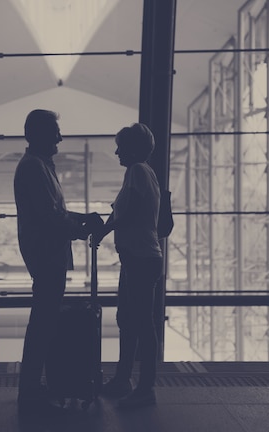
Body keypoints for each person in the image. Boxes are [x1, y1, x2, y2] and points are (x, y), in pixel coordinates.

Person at [14, 109, 103, 417]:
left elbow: (51, 213)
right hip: (47, 254)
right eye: (55, 131)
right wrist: (81, 228)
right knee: (42, 322)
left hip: (46, 252)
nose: (60, 137)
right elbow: (50, 216)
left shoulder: (38, 166)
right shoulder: (34, 169)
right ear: (37, 133)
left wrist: (80, 221)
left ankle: (33, 387)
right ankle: (30, 389)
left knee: (44, 320)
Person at [94, 122, 163, 409]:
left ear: (133, 148)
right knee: (130, 319)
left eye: (120, 145)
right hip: (138, 257)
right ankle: (125, 379)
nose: (116, 151)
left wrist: (101, 232)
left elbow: (129, 212)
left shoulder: (136, 171)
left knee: (140, 322)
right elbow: (125, 212)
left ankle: (145, 388)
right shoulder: (144, 173)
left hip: (141, 258)